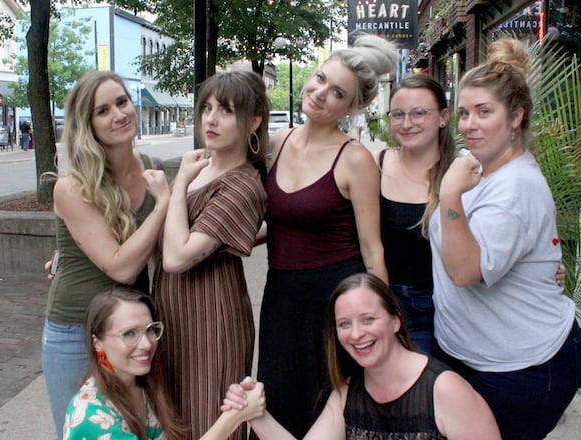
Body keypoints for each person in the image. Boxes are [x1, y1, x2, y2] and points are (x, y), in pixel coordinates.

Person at [429, 38, 581, 439]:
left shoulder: (514, 186)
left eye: (484, 112)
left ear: (515, 116)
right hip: (475, 353)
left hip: (517, 367)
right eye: (464, 113)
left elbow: (464, 270)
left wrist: (449, 196)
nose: (468, 125)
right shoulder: (480, 170)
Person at [256, 34, 395, 438]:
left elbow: (372, 250)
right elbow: (281, 222)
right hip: (280, 299)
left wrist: (383, 325)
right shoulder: (280, 142)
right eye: (320, 79)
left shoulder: (355, 159)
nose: (319, 93)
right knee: (277, 402)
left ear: (354, 107)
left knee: (331, 411)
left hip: (333, 304)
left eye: (337, 93)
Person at [42, 70, 171, 439]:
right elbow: (122, 267)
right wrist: (164, 204)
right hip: (76, 329)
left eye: (122, 102)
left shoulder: (149, 167)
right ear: (88, 125)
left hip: (131, 328)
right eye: (103, 111)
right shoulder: (72, 186)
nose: (119, 114)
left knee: (135, 429)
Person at [224, 273, 501, 440]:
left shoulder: (444, 389)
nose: (356, 334)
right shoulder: (347, 391)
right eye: (344, 324)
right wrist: (255, 415)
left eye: (368, 319)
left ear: (396, 321)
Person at [152, 70, 269, 440]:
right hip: (173, 311)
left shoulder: (242, 183)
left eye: (227, 110)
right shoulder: (204, 166)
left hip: (211, 317)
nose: (211, 119)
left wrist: (180, 182)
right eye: (207, 107)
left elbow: (176, 256)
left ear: (253, 122)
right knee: (175, 418)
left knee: (210, 415)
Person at [65, 287, 265, 439]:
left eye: (150, 329)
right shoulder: (91, 414)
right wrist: (234, 417)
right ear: (97, 343)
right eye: (129, 333)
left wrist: (238, 401)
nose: (146, 344)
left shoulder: (142, 385)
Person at [375, 74, 455, 354]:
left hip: (450, 307)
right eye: (398, 114)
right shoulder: (377, 164)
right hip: (388, 302)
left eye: (419, 113)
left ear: (443, 117)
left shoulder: (463, 172)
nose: (407, 123)